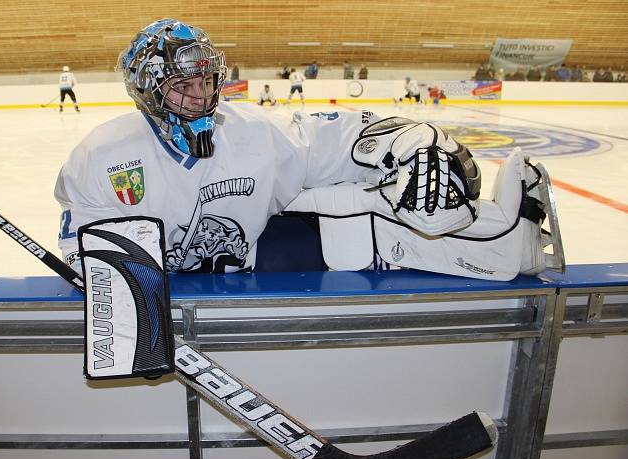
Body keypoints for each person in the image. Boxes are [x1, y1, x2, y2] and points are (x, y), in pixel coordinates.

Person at [54, 18, 554, 280]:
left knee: (360, 210)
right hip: (167, 289)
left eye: (205, 83)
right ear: (148, 92)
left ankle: (506, 243)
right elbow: (86, 255)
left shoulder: (249, 132)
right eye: (182, 87)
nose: (199, 99)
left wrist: (402, 140)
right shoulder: (104, 158)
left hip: (250, 263)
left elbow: (329, 139)